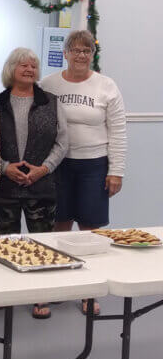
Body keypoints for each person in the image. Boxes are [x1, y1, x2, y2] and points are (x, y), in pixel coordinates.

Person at [41, 30, 127, 316]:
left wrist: (117, 171)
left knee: (91, 231)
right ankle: (60, 285)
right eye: (75, 50)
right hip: (59, 165)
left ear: (92, 55)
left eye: (86, 50)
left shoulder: (106, 86)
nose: (80, 55)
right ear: (65, 53)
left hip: (94, 165)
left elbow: (118, 130)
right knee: (59, 227)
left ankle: (90, 291)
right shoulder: (49, 84)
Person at [0, 48, 68, 319]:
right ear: (10, 69)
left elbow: (63, 142)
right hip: (7, 185)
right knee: (7, 241)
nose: (29, 69)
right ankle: (9, 291)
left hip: (42, 184)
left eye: (33, 66)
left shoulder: (51, 101)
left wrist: (43, 169)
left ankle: (40, 295)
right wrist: (4, 168)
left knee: (41, 242)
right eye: (22, 65)